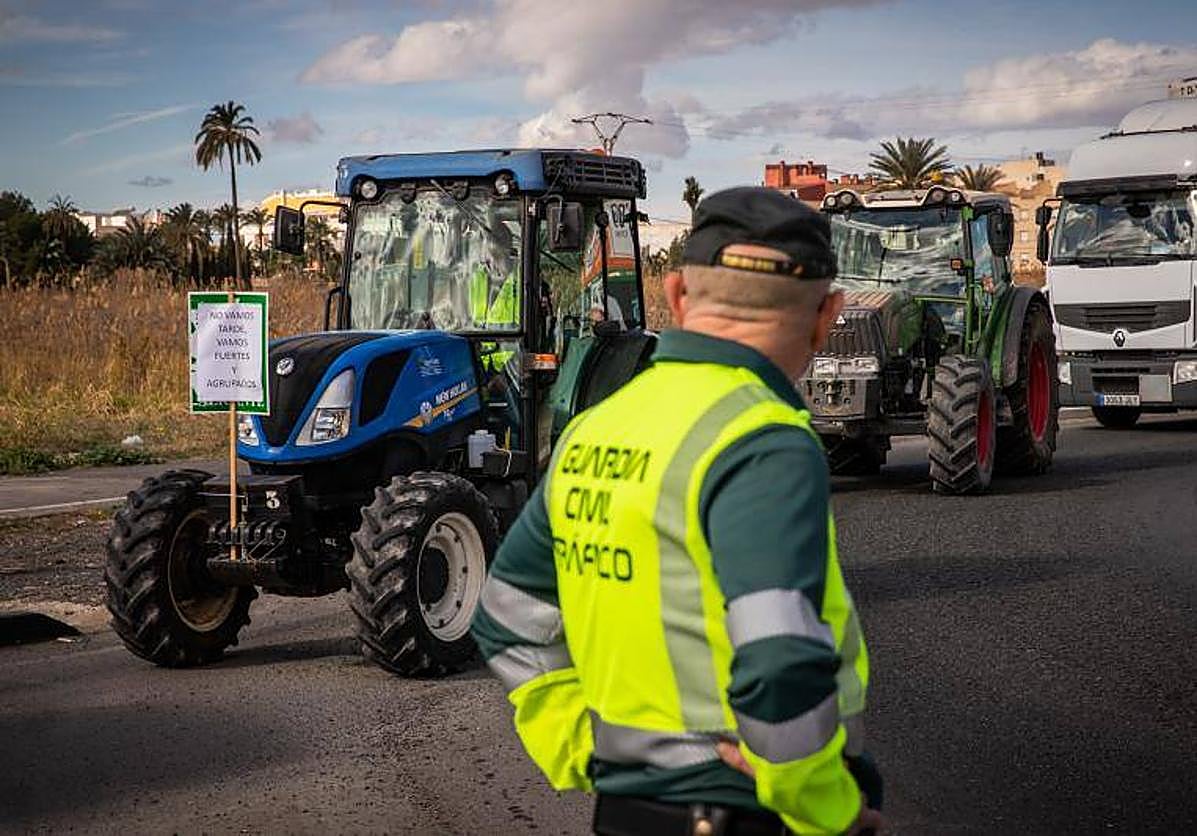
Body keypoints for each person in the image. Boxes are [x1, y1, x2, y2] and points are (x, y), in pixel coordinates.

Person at [471, 187, 882, 835]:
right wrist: (825, 806)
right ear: (827, 313)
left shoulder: (593, 429)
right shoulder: (762, 437)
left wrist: (585, 744)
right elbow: (777, 656)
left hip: (625, 810)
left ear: (679, 296)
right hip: (746, 815)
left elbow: (506, 617)